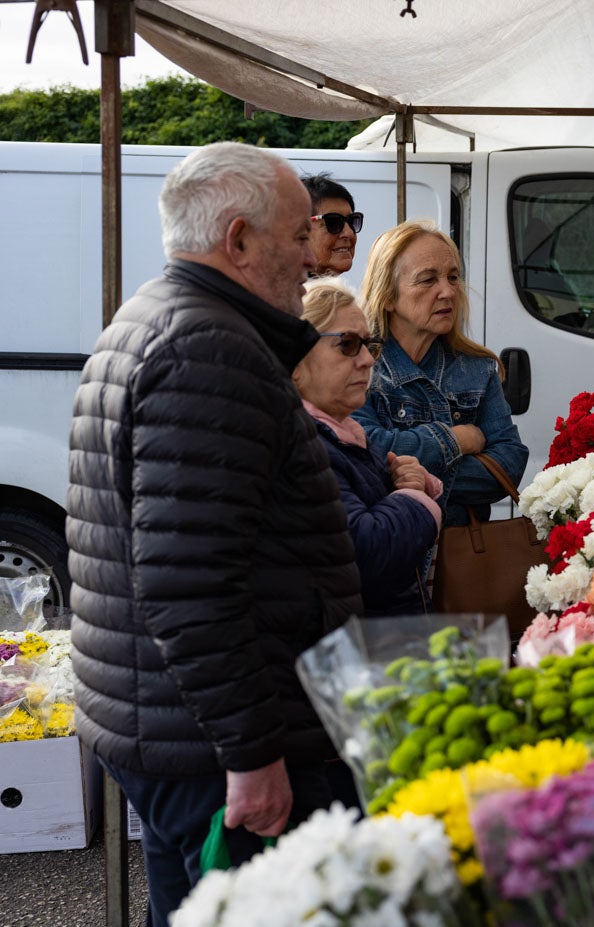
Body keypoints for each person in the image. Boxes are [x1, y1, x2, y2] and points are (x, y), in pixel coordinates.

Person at [65, 142, 362, 927]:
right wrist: (252, 753)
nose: (312, 258)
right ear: (238, 240)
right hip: (209, 743)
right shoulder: (207, 347)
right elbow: (188, 582)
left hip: (168, 723)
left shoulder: (161, 315)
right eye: (300, 236)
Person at [353, 219, 528, 526]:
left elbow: (509, 464)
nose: (447, 292)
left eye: (453, 277)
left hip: (461, 563)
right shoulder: (359, 364)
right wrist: (457, 441)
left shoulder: (478, 368)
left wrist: (413, 478)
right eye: (427, 280)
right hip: (388, 557)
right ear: (388, 295)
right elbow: (363, 457)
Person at [296, 277, 443, 616]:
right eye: (347, 344)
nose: (367, 360)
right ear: (294, 359)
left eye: (368, 345)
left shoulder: (342, 435)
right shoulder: (307, 446)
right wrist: (412, 496)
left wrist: (403, 483)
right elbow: (367, 551)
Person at [302, 172, 362, 277]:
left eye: (351, 221)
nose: (349, 233)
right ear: (299, 230)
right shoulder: (281, 292)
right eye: (333, 222)